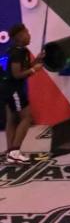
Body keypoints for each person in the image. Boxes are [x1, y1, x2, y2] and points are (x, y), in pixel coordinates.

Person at [1, 24, 44, 163]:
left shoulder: (20, 50)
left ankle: (10, 152)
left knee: (12, 118)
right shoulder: (17, 53)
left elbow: (24, 68)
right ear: (19, 37)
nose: (29, 35)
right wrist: (34, 70)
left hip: (7, 88)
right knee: (26, 118)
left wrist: (37, 60)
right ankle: (15, 151)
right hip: (14, 89)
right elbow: (17, 74)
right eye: (27, 32)